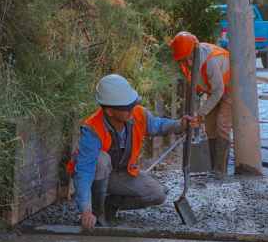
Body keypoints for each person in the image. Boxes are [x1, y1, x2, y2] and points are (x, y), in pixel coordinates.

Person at [70, 74, 194, 231]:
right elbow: (85, 172)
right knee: (101, 160)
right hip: (97, 175)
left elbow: (160, 126)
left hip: (123, 173)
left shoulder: (137, 114)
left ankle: (110, 204)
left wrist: (181, 124)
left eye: (132, 104)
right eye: (126, 108)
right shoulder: (92, 129)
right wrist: (85, 210)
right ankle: (97, 217)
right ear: (109, 111)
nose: (131, 110)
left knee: (157, 193)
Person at [172, 31, 232, 175]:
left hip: (230, 90)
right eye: (185, 60)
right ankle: (213, 169)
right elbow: (199, 86)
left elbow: (218, 91)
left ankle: (220, 173)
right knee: (210, 127)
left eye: (191, 58)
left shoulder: (211, 62)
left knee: (222, 127)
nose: (189, 64)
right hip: (214, 91)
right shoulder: (186, 64)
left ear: (196, 51)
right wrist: (198, 114)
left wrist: (200, 113)